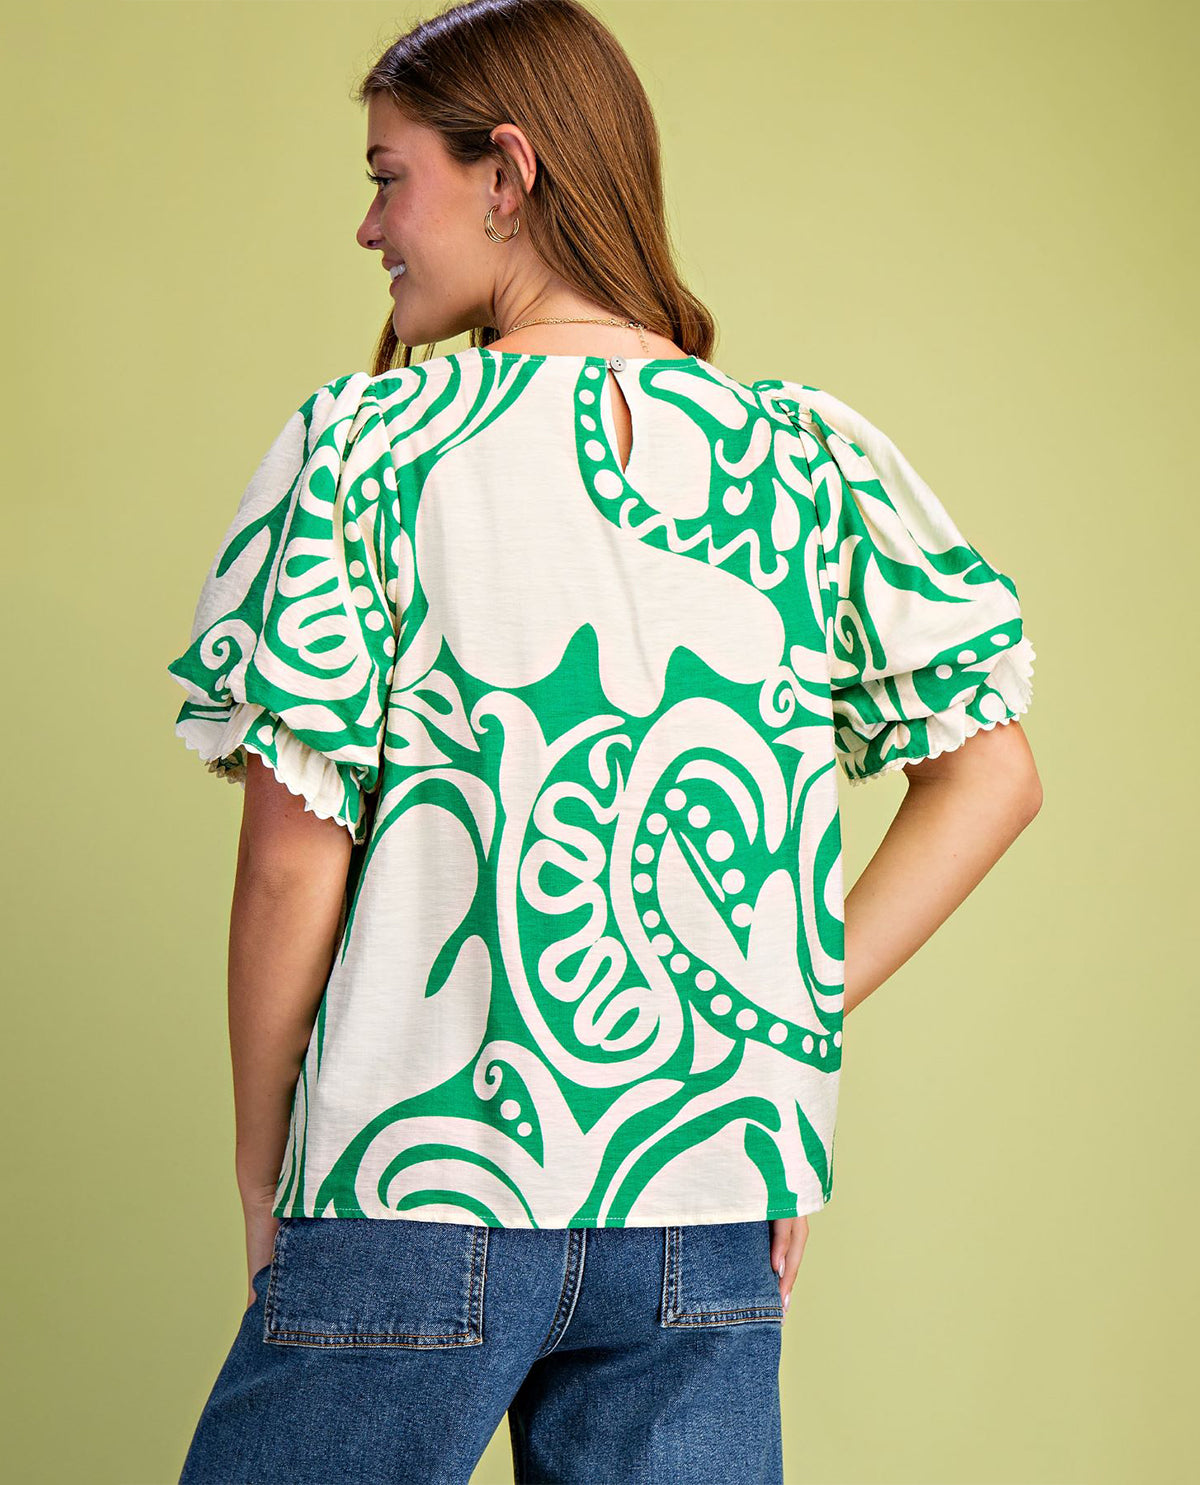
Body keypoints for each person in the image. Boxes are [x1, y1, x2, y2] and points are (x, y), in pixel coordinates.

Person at [166, 1, 1042, 1480]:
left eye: (389, 178)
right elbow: (994, 775)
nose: (369, 228)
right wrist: (775, 1016)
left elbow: (286, 869)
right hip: (708, 1202)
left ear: (507, 172)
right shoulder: (805, 459)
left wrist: (264, 1168)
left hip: (412, 1184)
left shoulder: (372, 450)